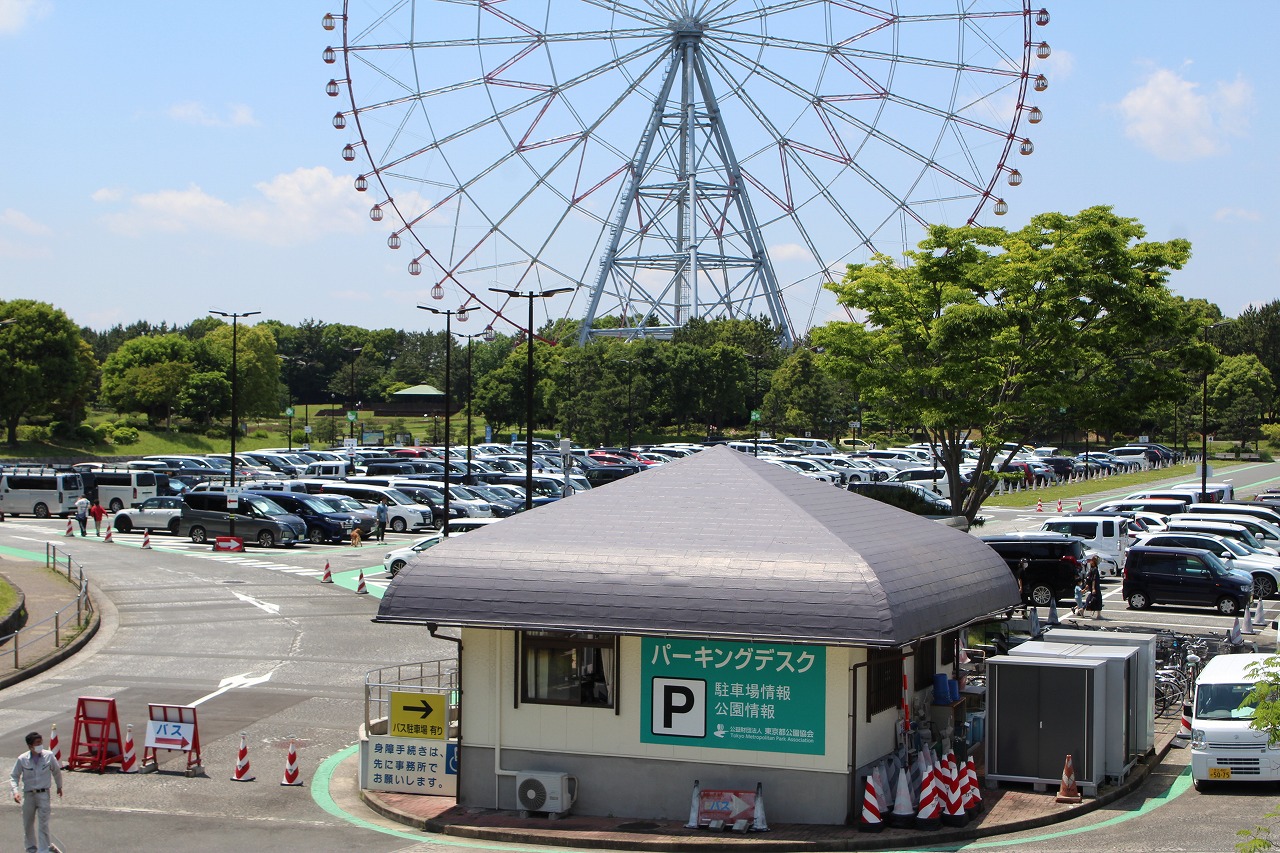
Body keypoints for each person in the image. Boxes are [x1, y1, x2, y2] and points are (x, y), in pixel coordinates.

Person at [10, 731, 63, 853]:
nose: (40, 745)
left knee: (43, 823)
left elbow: (56, 772)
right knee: (28, 823)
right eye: (37, 743)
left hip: (43, 794)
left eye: (41, 742)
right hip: (29, 795)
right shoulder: (22, 759)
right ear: (30, 746)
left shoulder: (49, 756)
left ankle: (44, 849)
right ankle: (31, 849)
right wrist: (15, 792)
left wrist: (59, 786)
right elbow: (14, 776)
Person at [1084, 556, 1104, 620]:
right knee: (1098, 599)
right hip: (1095, 587)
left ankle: (1082, 609)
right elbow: (1094, 580)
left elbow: (1089, 579)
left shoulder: (1092, 569)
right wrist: (1093, 588)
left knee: (1090, 598)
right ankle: (1099, 615)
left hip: (1093, 587)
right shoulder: (1095, 569)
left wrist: (1087, 587)